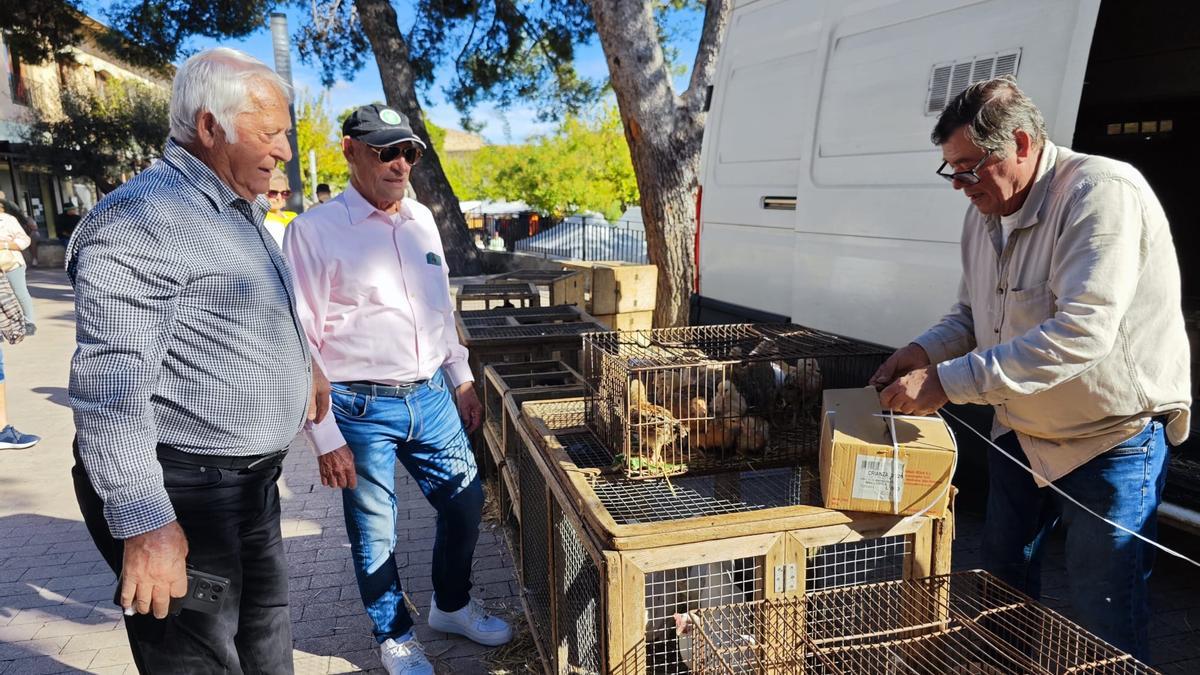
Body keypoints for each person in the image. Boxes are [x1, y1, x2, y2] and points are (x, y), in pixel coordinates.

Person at [870, 76, 1191, 660]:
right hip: (1020, 428)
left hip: (1108, 437)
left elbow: (1083, 331)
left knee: (1104, 611)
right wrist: (922, 353)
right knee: (1001, 586)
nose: (961, 186)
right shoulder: (985, 210)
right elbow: (972, 315)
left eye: (970, 168)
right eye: (952, 170)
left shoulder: (1099, 192)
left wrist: (945, 382)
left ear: (1021, 143)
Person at [67, 47, 323, 674]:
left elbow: (253, 308)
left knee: (266, 644)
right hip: (184, 494)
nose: (285, 150)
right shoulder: (140, 220)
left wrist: (304, 366)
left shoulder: (238, 209)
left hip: (249, 487)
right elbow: (110, 392)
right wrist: (146, 524)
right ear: (210, 127)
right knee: (200, 661)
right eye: (270, 134)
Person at [284, 103, 511, 675]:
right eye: (386, 151)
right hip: (358, 408)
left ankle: (451, 605)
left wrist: (460, 379)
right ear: (350, 150)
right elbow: (300, 340)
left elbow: (440, 309)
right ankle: (395, 636)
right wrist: (324, 433)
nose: (400, 163)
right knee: (374, 531)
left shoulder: (421, 220)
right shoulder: (314, 232)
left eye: (409, 151)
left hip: (431, 395)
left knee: (466, 503)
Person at [0, 200, 35, 335]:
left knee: (19, 292)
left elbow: (25, 240)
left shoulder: (8, 220)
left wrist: (5, 245)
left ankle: (29, 322)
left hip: (12, 263)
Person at [0, 190, 37, 267]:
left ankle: (33, 258)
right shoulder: (10, 204)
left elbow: (20, 214)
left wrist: (26, 224)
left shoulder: (10, 205)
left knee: (29, 238)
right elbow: (20, 214)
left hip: (12, 226)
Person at [263, 168, 297, 247]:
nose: (279, 197)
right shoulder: (260, 220)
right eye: (273, 193)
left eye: (284, 193)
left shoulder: (293, 216)